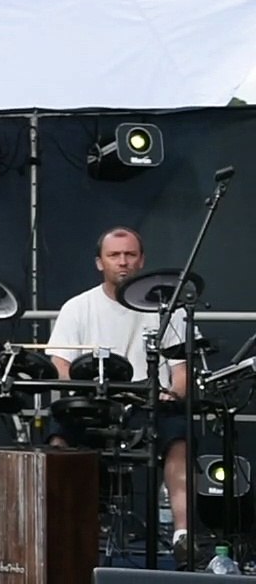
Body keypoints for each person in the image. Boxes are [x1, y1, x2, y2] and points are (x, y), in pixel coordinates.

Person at [44, 226, 193, 563]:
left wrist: (172, 393)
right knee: (58, 432)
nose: (122, 262)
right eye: (114, 255)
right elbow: (59, 364)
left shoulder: (169, 309)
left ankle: (183, 534)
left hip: (147, 402)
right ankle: (61, 526)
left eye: (130, 255)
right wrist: (78, 395)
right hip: (94, 401)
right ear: (100, 263)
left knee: (178, 435)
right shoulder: (78, 307)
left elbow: (182, 371)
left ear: (142, 261)